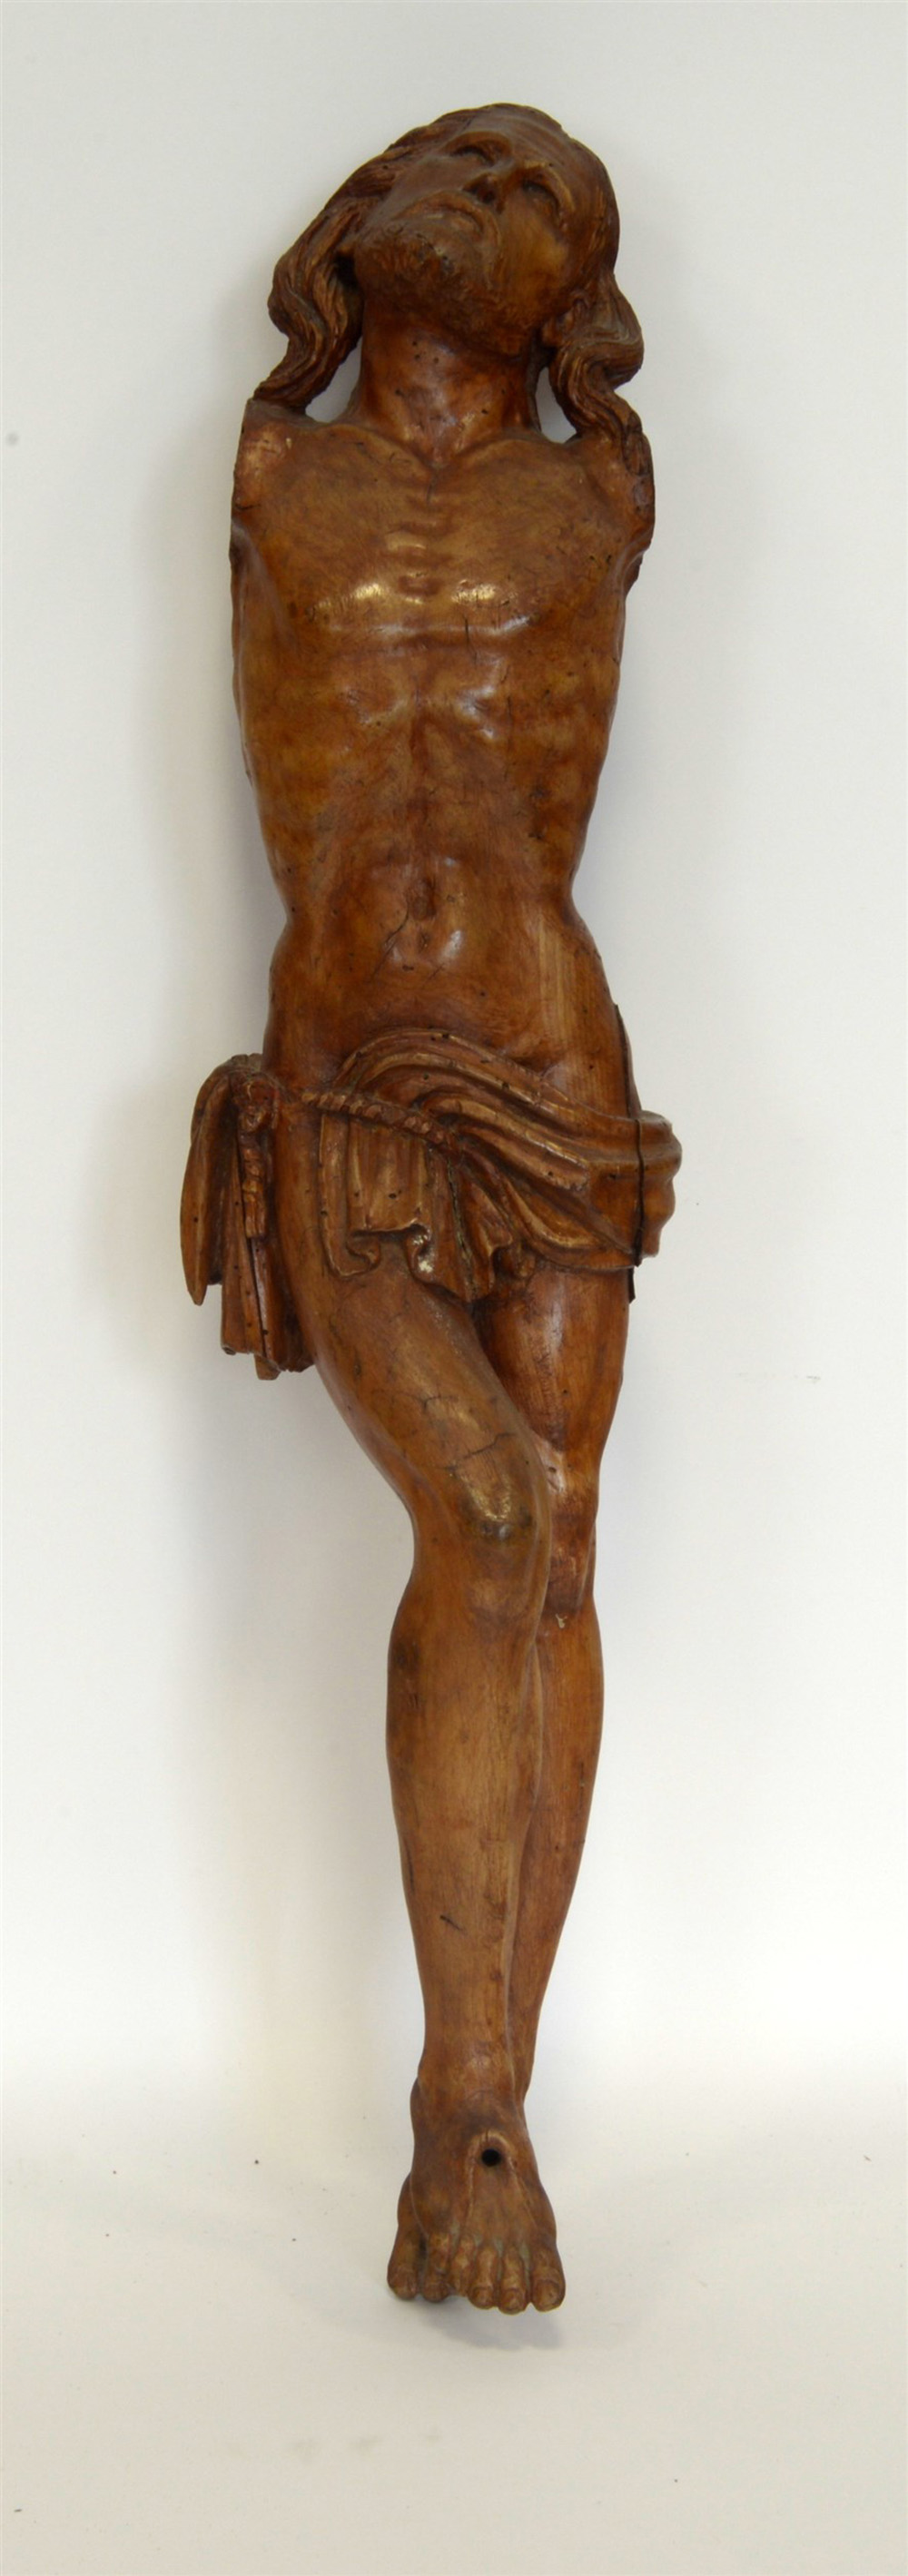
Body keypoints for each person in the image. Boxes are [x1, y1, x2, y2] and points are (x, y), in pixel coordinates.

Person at [182, 103, 680, 2313]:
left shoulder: (601, 494)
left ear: (573, 290)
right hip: (346, 1083)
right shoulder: (267, 472)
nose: (478, 196)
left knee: (551, 1550)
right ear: (353, 225)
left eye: (530, 189)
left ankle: (492, 2106)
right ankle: (457, 2098)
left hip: (558, 1076)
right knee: (481, 1514)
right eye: (452, 165)